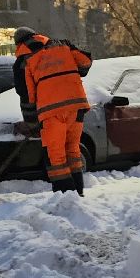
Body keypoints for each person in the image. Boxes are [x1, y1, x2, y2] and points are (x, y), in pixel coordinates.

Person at [12, 26, 94, 196]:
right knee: (72, 149)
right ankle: (78, 193)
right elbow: (85, 62)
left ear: (18, 44)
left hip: (51, 112)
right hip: (76, 106)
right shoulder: (62, 46)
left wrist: (32, 123)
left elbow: (27, 96)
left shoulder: (24, 61)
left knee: (56, 157)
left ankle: (65, 198)